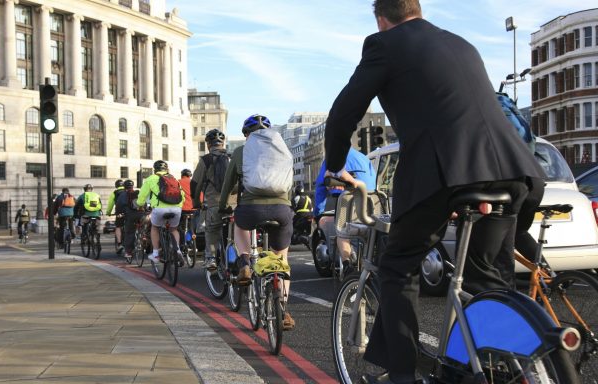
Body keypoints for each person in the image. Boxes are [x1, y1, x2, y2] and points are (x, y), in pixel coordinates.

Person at [322, 1, 545, 383]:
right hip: (514, 169)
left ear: (381, 19)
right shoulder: (461, 43)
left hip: (446, 170)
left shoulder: (383, 45)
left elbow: (344, 112)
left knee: (398, 267)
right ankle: (498, 368)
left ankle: (403, 376)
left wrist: (336, 164)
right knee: (487, 278)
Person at [219, 114, 296, 331]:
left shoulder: (241, 152)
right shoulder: (282, 151)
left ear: (246, 135)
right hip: (282, 209)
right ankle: (283, 308)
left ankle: (244, 263)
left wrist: (222, 205)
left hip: (250, 209)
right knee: (281, 260)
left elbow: (228, 184)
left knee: (240, 226)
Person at [314, 147, 377, 273]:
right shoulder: (364, 158)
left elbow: (320, 187)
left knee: (341, 233)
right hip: (370, 201)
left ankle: (348, 266)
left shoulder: (333, 158)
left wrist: (319, 213)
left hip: (346, 201)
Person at [191, 129, 231, 269]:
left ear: (208, 144)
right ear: (222, 143)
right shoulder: (231, 158)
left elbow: (196, 183)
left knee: (212, 230)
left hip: (215, 204)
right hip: (234, 206)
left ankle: (211, 259)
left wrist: (196, 203)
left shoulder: (206, 160)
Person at [136, 160, 185, 263]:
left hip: (159, 209)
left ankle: (155, 254)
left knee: (155, 227)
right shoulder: (174, 179)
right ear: (166, 169)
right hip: (176, 208)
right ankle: (178, 251)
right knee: (174, 229)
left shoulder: (150, 179)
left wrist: (140, 204)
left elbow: (142, 197)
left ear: (155, 170)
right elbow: (182, 196)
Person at [119, 180, 141, 260]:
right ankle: (144, 238)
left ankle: (128, 252)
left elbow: (119, 206)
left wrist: (119, 213)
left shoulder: (123, 195)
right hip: (141, 214)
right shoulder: (138, 193)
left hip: (130, 215)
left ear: (124, 186)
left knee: (130, 232)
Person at [106, 179, 126, 253]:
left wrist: (108, 212)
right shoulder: (128, 191)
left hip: (119, 212)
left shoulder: (115, 193)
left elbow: (110, 204)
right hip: (129, 212)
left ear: (116, 186)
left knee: (118, 227)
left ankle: (120, 243)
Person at [179, 169, 196, 249]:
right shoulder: (194, 182)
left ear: (182, 175)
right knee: (191, 226)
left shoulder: (178, 182)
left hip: (182, 209)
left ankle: (182, 243)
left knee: (180, 226)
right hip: (193, 209)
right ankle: (191, 240)